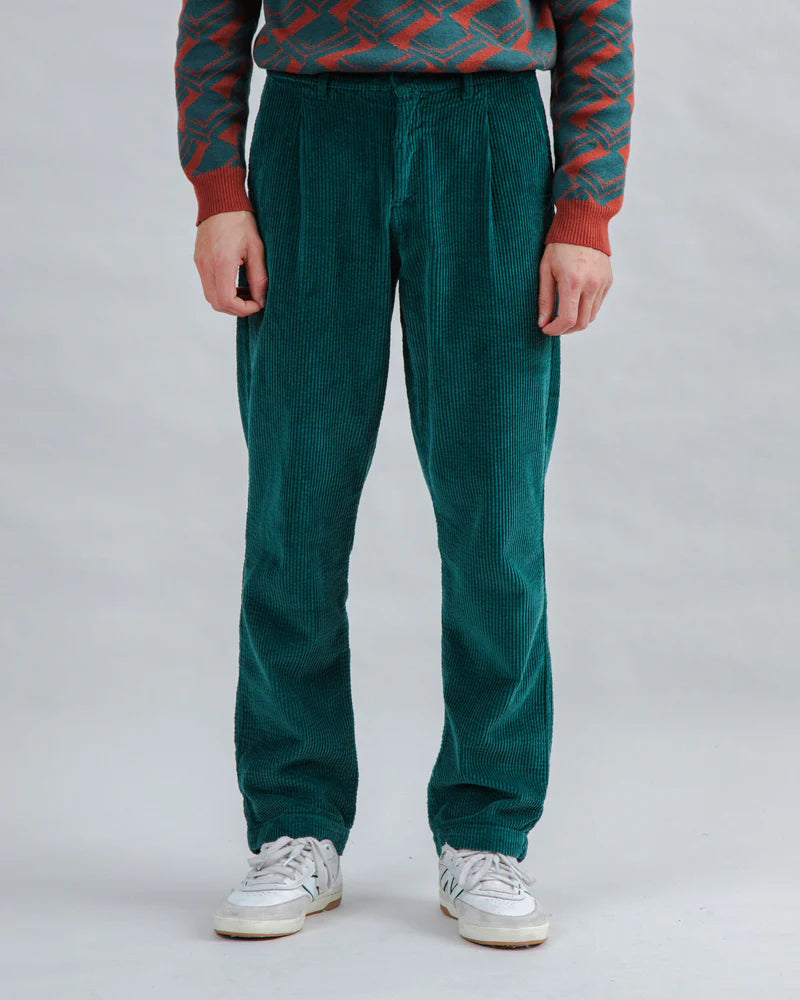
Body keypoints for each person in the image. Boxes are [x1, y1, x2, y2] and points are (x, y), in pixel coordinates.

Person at [174, 0, 634, 948]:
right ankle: (295, 822)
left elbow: (598, 19)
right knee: (294, 511)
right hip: (309, 132)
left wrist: (585, 209)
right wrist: (219, 194)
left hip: (490, 133)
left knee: (495, 520)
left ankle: (486, 829)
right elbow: (213, 14)